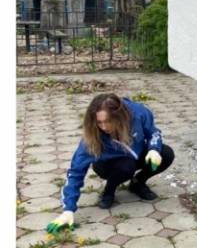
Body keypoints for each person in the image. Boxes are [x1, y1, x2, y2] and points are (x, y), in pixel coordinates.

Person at [49, 93, 174, 231]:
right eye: (99, 122)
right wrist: (68, 210)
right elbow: (75, 172)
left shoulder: (139, 113)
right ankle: (109, 191)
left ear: (120, 116)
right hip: (108, 164)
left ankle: (137, 183)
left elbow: (153, 132)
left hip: (135, 155)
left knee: (166, 153)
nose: (104, 127)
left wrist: (154, 149)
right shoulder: (91, 139)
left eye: (108, 121)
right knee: (126, 166)